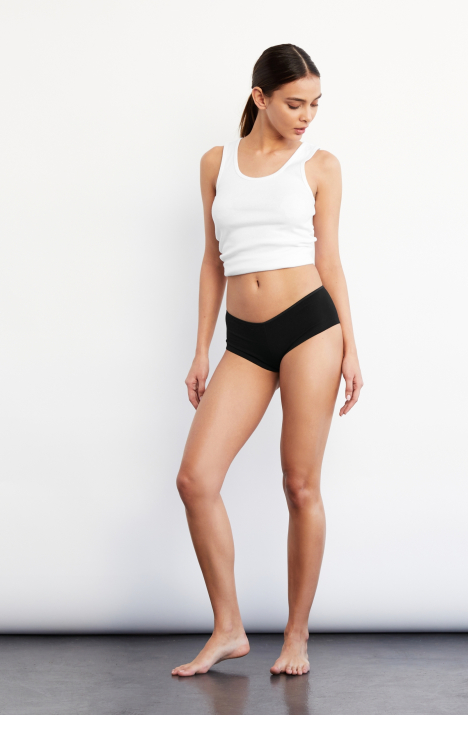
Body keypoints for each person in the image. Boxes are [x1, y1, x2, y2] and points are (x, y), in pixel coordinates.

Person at [172, 44, 363, 677]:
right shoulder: (216, 163)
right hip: (245, 339)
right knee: (196, 480)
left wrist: (351, 347)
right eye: (295, 103)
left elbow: (330, 261)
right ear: (260, 97)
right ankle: (228, 628)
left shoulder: (321, 165)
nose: (307, 116)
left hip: (310, 327)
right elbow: (212, 261)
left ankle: (296, 635)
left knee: (300, 484)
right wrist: (201, 349)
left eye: (315, 105)